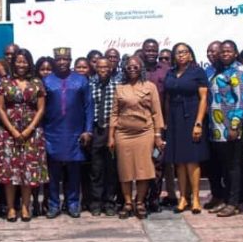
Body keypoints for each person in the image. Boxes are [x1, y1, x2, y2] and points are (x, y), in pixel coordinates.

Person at [0, 49, 48, 222]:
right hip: (8, 133)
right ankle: (10, 208)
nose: (21, 65)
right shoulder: (4, 82)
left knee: (28, 172)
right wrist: (13, 130)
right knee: (10, 172)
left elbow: (41, 109)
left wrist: (29, 129)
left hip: (32, 134)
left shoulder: (37, 82)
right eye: (18, 61)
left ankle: (25, 207)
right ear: (13, 63)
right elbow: (0, 108)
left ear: (29, 63)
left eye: (25, 61)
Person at [108, 56, 165, 219]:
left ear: (141, 68)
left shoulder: (150, 87)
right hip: (123, 133)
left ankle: (139, 202)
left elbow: (156, 112)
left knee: (143, 169)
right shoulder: (120, 88)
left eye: (135, 66)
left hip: (145, 132)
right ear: (125, 69)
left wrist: (158, 135)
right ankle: (127, 203)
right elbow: (114, 113)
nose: (132, 69)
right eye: (129, 67)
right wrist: (111, 136)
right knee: (125, 170)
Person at [43, 47, 94, 218]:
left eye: (66, 59)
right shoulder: (47, 81)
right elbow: (41, 109)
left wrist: (88, 130)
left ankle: (72, 203)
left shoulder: (81, 81)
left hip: (75, 133)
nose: (62, 62)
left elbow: (88, 106)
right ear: (54, 61)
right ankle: (53, 204)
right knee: (53, 172)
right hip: (52, 133)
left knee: (74, 171)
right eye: (59, 59)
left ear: (70, 60)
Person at [164, 43, 210, 214]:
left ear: (190, 54)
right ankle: (183, 197)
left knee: (192, 159)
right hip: (174, 118)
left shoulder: (197, 72)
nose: (181, 55)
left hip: (191, 115)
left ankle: (196, 198)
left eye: (184, 52)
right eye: (178, 53)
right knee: (179, 161)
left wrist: (198, 122)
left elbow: (204, 98)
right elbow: (167, 97)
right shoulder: (170, 72)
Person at [207, 40, 243, 218]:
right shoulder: (220, 70)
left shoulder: (240, 72)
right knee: (224, 167)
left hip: (231, 129)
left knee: (234, 168)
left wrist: (235, 125)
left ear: (235, 53)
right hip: (217, 128)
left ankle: (234, 202)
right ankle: (225, 199)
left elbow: (242, 100)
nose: (225, 54)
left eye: (228, 51)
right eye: (222, 51)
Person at [142, 38, 173, 209]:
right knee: (143, 163)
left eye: (154, 50)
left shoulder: (166, 70)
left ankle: (154, 198)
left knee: (158, 161)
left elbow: (168, 97)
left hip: (160, 125)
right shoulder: (137, 68)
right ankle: (141, 197)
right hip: (140, 125)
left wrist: (166, 122)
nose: (151, 53)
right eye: (148, 50)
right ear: (143, 50)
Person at [87, 57, 118, 216]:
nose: (103, 70)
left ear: (111, 67)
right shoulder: (90, 84)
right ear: (96, 68)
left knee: (111, 169)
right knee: (96, 169)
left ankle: (109, 203)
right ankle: (96, 203)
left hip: (112, 130)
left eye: (106, 67)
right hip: (96, 130)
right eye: (100, 67)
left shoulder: (117, 85)